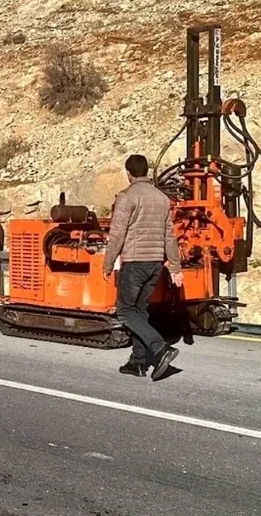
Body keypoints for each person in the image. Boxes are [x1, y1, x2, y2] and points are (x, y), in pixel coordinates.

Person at [103, 154, 184, 381]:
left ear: (128, 173)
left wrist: (108, 263)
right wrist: (175, 265)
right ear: (146, 171)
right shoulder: (161, 198)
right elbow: (170, 235)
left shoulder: (127, 197)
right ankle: (137, 363)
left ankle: (160, 348)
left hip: (135, 262)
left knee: (125, 311)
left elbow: (117, 234)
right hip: (155, 263)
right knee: (140, 311)